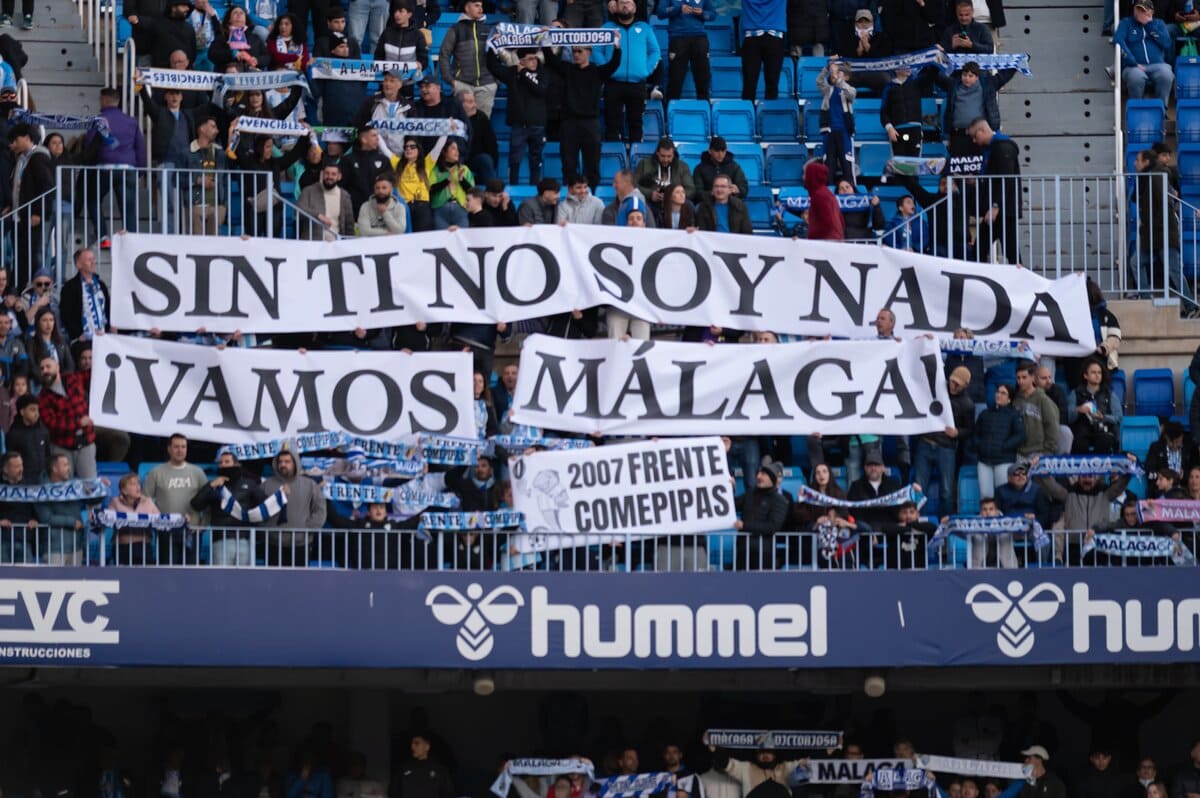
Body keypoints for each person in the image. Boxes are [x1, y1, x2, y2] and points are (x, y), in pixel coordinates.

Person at [547, 38, 622, 190]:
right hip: (569, 123)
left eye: (579, 51)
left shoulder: (597, 71)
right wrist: (545, 41)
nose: (576, 54)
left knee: (592, 163)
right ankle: (570, 195)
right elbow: (551, 60)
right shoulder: (567, 69)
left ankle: (593, 195)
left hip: (590, 123)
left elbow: (613, 64)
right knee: (568, 163)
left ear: (589, 52)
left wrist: (617, 46)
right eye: (574, 51)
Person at [191, 450, 283, 565]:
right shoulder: (214, 485)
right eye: (221, 462)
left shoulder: (250, 484)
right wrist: (210, 486)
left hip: (244, 540)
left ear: (236, 464)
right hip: (221, 540)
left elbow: (265, 505)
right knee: (221, 580)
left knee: (244, 580)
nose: (223, 465)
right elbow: (196, 504)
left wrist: (281, 495)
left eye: (227, 462)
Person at [594, 0, 660, 144]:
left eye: (628, 3)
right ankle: (614, 161)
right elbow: (596, 51)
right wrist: (607, 68)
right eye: (621, 3)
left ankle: (635, 161)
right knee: (612, 126)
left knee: (636, 125)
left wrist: (646, 70)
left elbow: (655, 51)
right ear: (615, 7)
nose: (625, 5)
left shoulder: (645, 28)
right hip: (613, 84)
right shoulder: (607, 28)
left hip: (637, 84)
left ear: (635, 7)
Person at [86, 88, 145, 246]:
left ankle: (103, 237)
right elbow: (140, 147)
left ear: (104, 100)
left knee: (92, 199)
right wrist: (141, 170)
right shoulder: (131, 121)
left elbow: (90, 145)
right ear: (117, 101)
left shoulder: (99, 120)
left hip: (104, 167)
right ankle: (130, 239)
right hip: (128, 168)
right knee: (128, 207)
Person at [912, 367, 974, 516]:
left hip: (946, 447)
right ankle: (918, 522)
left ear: (965, 385)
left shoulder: (967, 404)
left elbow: (970, 430)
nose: (953, 385)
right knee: (919, 488)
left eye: (957, 384)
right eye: (952, 381)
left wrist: (957, 433)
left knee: (946, 491)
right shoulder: (937, 390)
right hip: (925, 443)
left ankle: (943, 525)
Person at [486, 45, 548, 186]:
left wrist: (525, 73)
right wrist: (492, 48)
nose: (534, 62)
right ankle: (513, 187)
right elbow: (493, 67)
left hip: (538, 124)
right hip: (519, 125)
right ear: (521, 61)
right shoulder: (512, 73)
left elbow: (540, 90)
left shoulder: (543, 73)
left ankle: (534, 188)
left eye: (535, 58)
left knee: (536, 159)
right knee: (515, 159)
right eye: (529, 59)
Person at [143, 433, 209, 564]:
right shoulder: (156, 472)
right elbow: (146, 500)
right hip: (166, 531)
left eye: (183, 447)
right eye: (176, 447)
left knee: (191, 573)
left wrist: (203, 525)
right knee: (167, 572)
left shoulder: (198, 472)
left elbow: (207, 500)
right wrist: (156, 523)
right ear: (169, 449)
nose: (180, 450)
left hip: (192, 530)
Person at [261, 447, 326, 566]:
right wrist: (267, 529)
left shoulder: (310, 484)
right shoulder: (267, 485)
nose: (283, 465)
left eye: (287, 462)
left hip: (301, 544)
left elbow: (320, 510)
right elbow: (258, 510)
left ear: (295, 463)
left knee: (300, 582)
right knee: (273, 581)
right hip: (273, 543)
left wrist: (306, 530)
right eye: (280, 462)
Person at [970, 115, 1021, 264]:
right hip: (997, 210)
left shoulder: (1002, 147)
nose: (974, 141)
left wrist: (995, 206)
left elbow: (1006, 178)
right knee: (982, 249)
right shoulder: (995, 148)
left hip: (1002, 211)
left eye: (974, 136)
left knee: (1010, 253)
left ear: (981, 130)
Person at [6, 122, 52, 282]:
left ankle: (32, 289)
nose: (12, 145)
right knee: (20, 256)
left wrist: (40, 213)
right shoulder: (21, 159)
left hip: (31, 217)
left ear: (27, 138)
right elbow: (19, 187)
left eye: (15, 140)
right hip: (19, 216)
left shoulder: (38, 158)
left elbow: (47, 187)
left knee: (30, 255)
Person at [36, 355, 96, 479]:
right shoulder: (42, 397)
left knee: (90, 486)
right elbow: (52, 424)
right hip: (61, 447)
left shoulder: (73, 379)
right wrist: (78, 423)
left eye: (48, 367)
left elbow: (96, 373)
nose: (45, 371)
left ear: (57, 367)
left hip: (86, 442)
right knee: (63, 488)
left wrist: (102, 341)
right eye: (41, 369)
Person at [440, 0, 496, 116]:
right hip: (462, 84)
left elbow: (497, 56)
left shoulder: (488, 30)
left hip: (487, 85)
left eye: (481, 6)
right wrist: (451, 80)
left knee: (482, 125)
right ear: (467, 8)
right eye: (476, 5)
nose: (480, 8)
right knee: (462, 125)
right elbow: (444, 54)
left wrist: (495, 81)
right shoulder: (456, 29)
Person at [734, 460, 790, 570]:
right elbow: (731, 505)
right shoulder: (750, 494)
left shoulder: (780, 500)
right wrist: (729, 487)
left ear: (772, 478)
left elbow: (772, 526)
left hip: (763, 552)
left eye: (763, 474)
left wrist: (744, 526)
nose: (758, 476)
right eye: (758, 473)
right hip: (742, 549)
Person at [1114, 1, 1174, 100]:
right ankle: (1136, 109)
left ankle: (1161, 110)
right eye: (1139, 9)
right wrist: (1133, 62)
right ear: (1134, 10)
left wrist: (1150, 26)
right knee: (1136, 77)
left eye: (1144, 10)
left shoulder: (1159, 23)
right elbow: (1118, 40)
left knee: (1166, 74)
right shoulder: (1125, 23)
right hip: (1133, 66)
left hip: (1158, 65)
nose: (1140, 12)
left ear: (1151, 12)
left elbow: (1167, 44)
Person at [973, 382, 1025, 497]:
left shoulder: (1014, 415)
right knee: (985, 495)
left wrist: (1003, 447)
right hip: (984, 461)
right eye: (997, 392)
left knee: (1003, 495)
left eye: (1003, 393)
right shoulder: (985, 414)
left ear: (1009, 399)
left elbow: (1020, 435)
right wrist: (980, 446)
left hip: (1004, 460)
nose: (999, 395)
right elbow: (975, 434)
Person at [939, 62, 1001, 158]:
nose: (967, 78)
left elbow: (1004, 76)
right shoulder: (954, 86)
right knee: (957, 165)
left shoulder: (986, 87)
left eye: (970, 76)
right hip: (958, 135)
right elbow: (937, 76)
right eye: (964, 75)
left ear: (977, 77)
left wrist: (1019, 61)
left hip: (979, 135)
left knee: (978, 165)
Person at [658, 0, 715, 100]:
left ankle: (703, 110)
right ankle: (671, 110)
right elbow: (661, 12)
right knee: (675, 79)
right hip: (678, 38)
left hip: (699, 38)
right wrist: (679, 8)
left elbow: (713, 15)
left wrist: (702, 13)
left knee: (703, 78)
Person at [1068, 359, 1122, 454]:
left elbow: (1118, 417)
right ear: (1085, 375)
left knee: (1105, 441)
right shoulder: (1075, 393)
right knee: (1079, 443)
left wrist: (1104, 417)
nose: (1097, 375)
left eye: (1099, 373)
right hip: (1082, 429)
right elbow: (1068, 416)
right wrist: (1078, 410)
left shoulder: (1109, 394)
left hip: (1103, 429)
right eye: (1093, 372)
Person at [634, 137, 695, 219]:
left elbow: (690, 189)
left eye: (669, 156)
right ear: (657, 153)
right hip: (651, 202)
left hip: (674, 204)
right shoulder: (644, 164)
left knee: (689, 205)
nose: (666, 159)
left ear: (673, 154)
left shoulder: (682, 167)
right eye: (663, 156)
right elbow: (633, 185)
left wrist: (673, 196)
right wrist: (650, 194)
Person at [817, 59, 856, 186]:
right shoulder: (828, 90)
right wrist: (828, 69)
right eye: (836, 72)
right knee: (829, 166)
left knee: (847, 164)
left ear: (846, 77)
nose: (836, 75)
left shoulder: (849, 90)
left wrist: (839, 80)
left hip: (844, 132)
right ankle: (828, 192)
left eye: (840, 73)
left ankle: (851, 191)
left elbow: (851, 94)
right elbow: (819, 81)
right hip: (829, 132)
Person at [739, 0, 787, 100]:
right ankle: (766, 113)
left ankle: (760, 113)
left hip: (755, 38)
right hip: (772, 38)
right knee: (770, 84)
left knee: (750, 84)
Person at [139, 85, 196, 168]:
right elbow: (146, 99)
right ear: (165, 96)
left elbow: (208, 107)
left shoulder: (188, 115)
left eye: (177, 93)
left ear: (181, 97)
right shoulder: (159, 113)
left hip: (185, 163)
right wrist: (139, 83)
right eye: (171, 93)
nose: (174, 96)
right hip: (166, 162)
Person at [1013, 361, 1059, 464]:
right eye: (1018, 378)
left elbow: (1052, 428)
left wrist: (1046, 453)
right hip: (1019, 454)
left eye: (1024, 377)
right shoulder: (1016, 401)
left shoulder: (1043, 400)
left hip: (1039, 454)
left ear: (1033, 378)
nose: (1020, 381)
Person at [298, 159, 356, 240]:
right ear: (322, 174)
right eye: (327, 173)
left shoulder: (344, 196)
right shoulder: (308, 191)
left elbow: (349, 225)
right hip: (312, 244)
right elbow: (298, 211)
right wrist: (318, 215)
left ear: (339, 176)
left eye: (333, 174)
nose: (330, 177)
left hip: (337, 246)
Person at [880, 66, 929, 157]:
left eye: (910, 65)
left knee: (915, 164)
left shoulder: (916, 83)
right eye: (905, 66)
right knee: (899, 165)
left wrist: (936, 54)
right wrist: (889, 128)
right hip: (897, 131)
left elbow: (932, 73)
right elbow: (884, 111)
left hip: (915, 129)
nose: (908, 68)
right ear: (896, 69)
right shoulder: (889, 88)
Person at [389, 733, 455, 798]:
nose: (412, 746)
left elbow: (448, 794)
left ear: (427, 747)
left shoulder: (440, 770)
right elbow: (394, 792)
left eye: (417, 743)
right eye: (412, 743)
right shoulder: (403, 769)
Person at [0, 451, 37, 564]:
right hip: (3, 540)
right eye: (16, 466)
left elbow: (37, 509)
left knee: (27, 578)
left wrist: (35, 519)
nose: (21, 469)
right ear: (6, 469)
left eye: (21, 465)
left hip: (24, 539)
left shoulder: (30, 486)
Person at [430, 138, 474, 229]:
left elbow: (472, 192)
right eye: (453, 148)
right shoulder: (435, 170)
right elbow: (431, 190)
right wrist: (447, 180)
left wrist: (462, 180)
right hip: (440, 209)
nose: (457, 152)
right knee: (441, 241)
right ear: (444, 151)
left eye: (457, 149)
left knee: (462, 240)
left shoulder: (464, 169)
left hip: (460, 209)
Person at [7, 393, 50, 482]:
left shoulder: (43, 431)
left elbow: (47, 454)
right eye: (32, 410)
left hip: (42, 478)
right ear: (22, 412)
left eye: (37, 410)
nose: (36, 414)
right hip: (23, 481)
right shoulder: (14, 434)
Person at [692, 136, 749, 202]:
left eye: (723, 150)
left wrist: (738, 190)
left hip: (731, 203)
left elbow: (744, 188)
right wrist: (713, 194)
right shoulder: (699, 169)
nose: (720, 154)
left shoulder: (734, 166)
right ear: (710, 151)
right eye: (717, 151)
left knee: (740, 207)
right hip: (707, 203)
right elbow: (697, 192)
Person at [804, 160, 844, 240]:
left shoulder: (819, 195)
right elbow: (841, 220)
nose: (803, 177)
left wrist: (811, 238)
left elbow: (828, 222)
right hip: (832, 240)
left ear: (812, 176)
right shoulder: (826, 193)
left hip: (826, 243)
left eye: (806, 174)